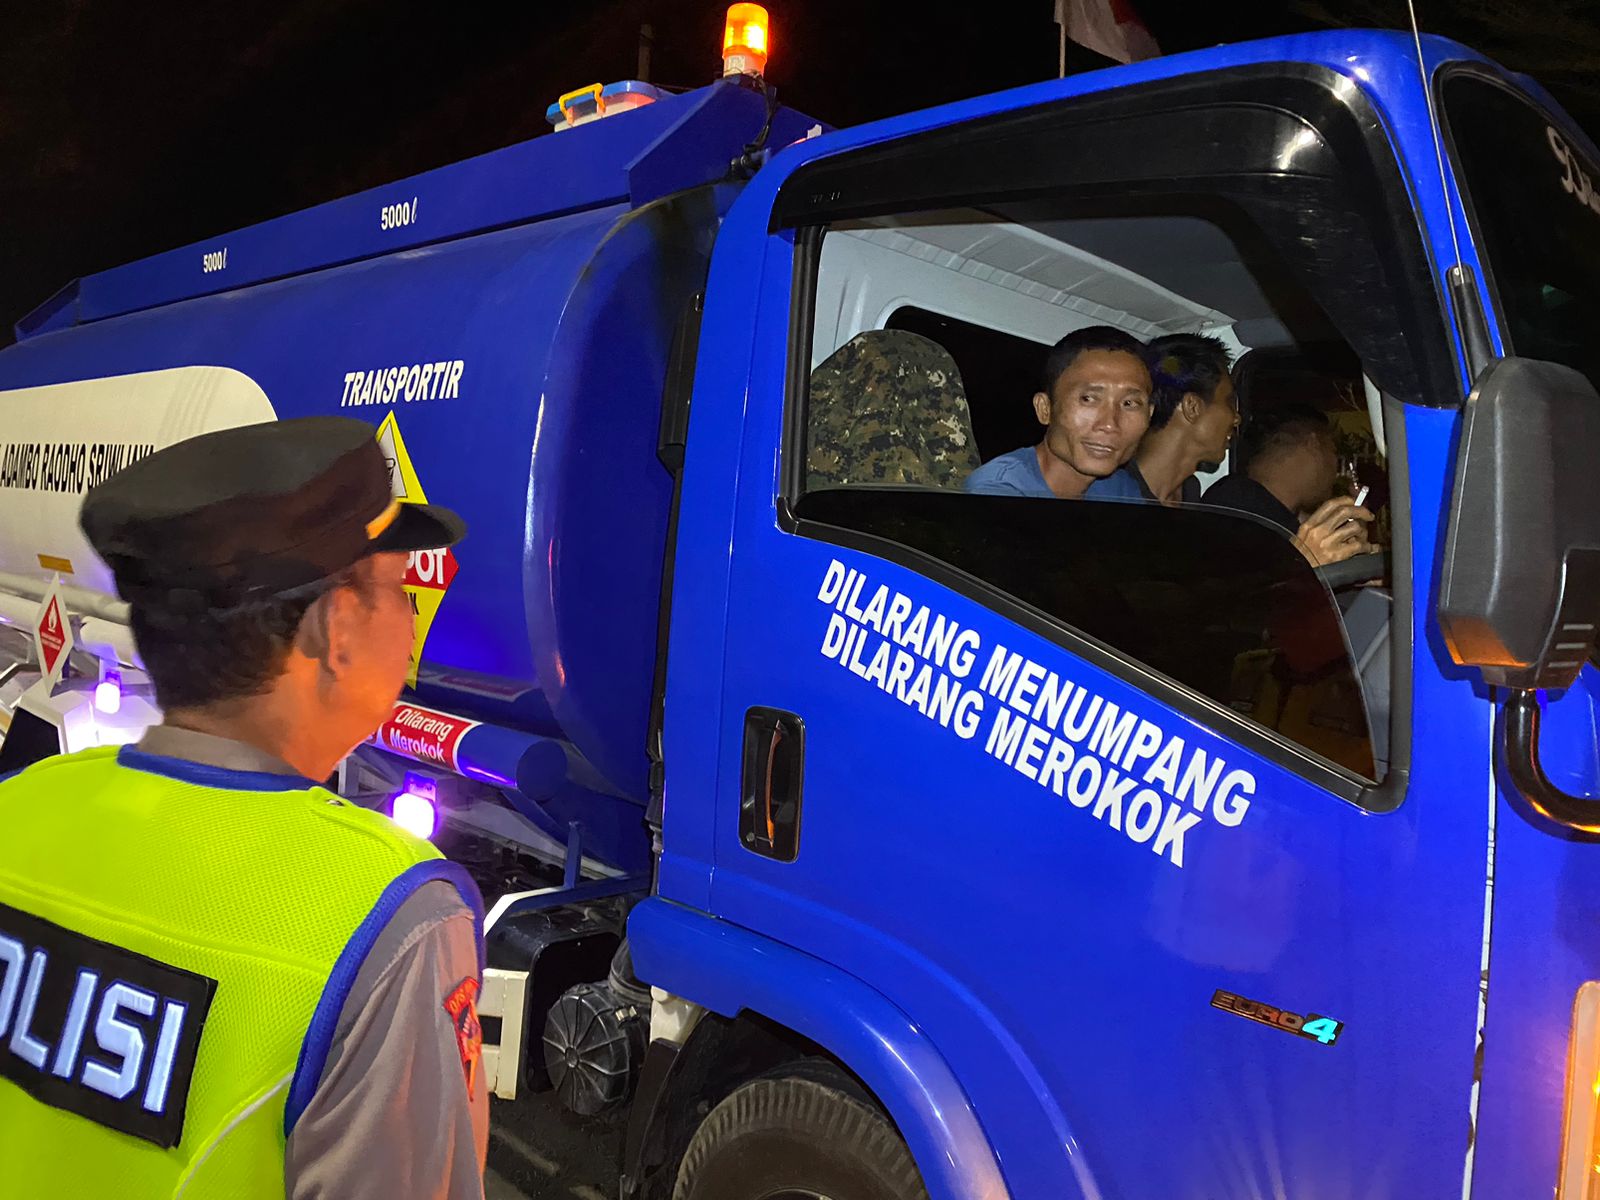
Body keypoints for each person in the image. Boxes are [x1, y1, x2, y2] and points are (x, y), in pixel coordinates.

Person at [0, 417, 488, 1199]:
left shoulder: (21, 807)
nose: (411, 615)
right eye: (399, 588)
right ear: (335, 628)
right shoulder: (387, 920)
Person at [965, 325, 1152, 499]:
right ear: (1044, 409)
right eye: (1088, 399)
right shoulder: (998, 490)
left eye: (1129, 403)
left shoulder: (1120, 490)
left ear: (1149, 415)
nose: (1110, 424)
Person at [1202, 404, 1374, 566]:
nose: (1336, 470)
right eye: (1333, 451)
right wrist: (1305, 564)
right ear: (1313, 443)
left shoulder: (1267, 514)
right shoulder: (1236, 511)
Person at [1086, 333, 1238, 505]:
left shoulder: (1190, 491)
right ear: (1192, 407)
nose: (1236, 419)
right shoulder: (1108, 495)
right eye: (1229, 402)